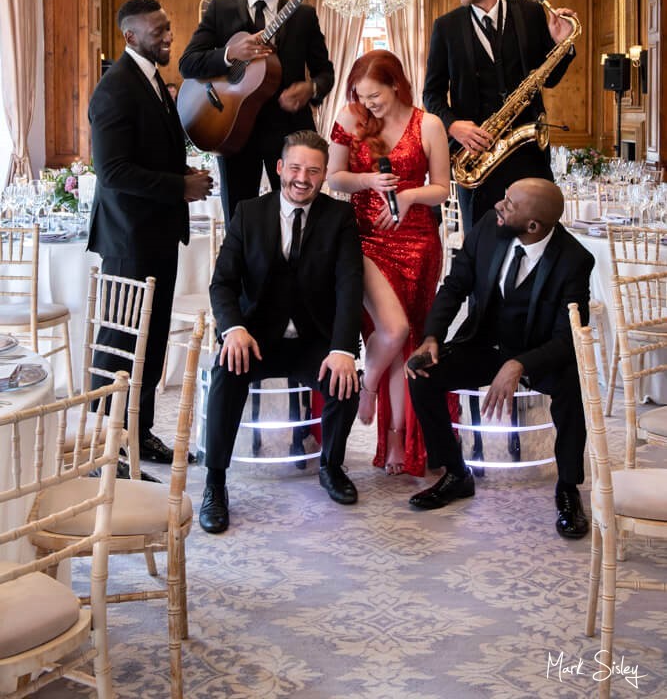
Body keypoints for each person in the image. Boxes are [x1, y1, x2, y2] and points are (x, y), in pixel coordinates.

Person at [405, 178, 594, 540]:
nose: (499, 207)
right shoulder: (488, 230)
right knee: (422, 375)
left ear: (533, 225)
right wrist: (431, 337)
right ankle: (456, 473)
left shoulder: (574, 260)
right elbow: (455, 286)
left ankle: (568, 489)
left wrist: (520, 365)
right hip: (485, 345)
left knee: (572, 388)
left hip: (539, 353)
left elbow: (567, 337)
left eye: (509, 204)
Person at [199, 130, 363, 535]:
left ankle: (331, 466)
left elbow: (349, 286)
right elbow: (222, 283)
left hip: (312, 339)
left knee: (346, 382)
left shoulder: (340, 218)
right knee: (226, 372)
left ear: (325, 174)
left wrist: (343, 349)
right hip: (256, 338)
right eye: (295, 168)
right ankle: (215, 483)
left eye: (313, 170)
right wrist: (233, 329)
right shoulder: (248, 213)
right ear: (279, 168)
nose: (302, 178)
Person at [88, 0, 213, 464]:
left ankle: (139, 435)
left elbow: (150, 151)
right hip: (128, 239)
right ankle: (106, 448)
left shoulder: (154, 79)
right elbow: (113, 172)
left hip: (157, 235)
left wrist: (184, 174)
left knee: (151, 341)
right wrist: (180, 186)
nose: (168, 36)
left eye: (167, 27)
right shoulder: (114, 88)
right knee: (120, 344)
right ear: (130, 36)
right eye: (158, 30)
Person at [327, 50, 457, 476]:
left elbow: (442, 188)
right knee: (392, 329)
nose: (368, 105)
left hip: (418, 243)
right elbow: (334, 176)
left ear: (396, 86)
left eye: (375, 96)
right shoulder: (350, 118)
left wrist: (408, 195)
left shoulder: (429, 124)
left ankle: (399, 437)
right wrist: (367, 180)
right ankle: (367, 386)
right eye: (361, 96)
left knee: (408, 341)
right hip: (364, 241)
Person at [179, 0, 334, 226]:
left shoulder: (303, 16)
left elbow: (325, 72)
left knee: (298, 218)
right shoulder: (220, 9)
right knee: (239, 220)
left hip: (290, 134)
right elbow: (188, 64)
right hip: (231, 128)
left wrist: (311, 88)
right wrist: (229, 54)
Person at [423, 0, 577, 235]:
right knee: (481, 244)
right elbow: (431, 94)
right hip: (477, 157)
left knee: (539, 238)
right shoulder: (446, 27)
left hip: (528, 152)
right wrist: (453, 126)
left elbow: (550, 78)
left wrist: (562, 46)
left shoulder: (531, 13)